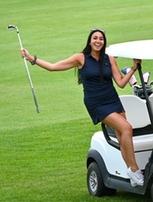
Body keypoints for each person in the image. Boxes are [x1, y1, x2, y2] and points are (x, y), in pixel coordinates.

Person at [20, 29, 146, 186]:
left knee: (122, 136)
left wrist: (134, 68)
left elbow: (120, 83)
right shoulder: (81, 58)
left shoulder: (109, 59)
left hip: (112, 99)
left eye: (101, 38)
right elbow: (53, 67)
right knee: (127, 128)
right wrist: (31, 58)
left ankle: (131, 173)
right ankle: (135, 170)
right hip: (96, 103)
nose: (98, 41)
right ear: (90, 41)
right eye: (95, 38)